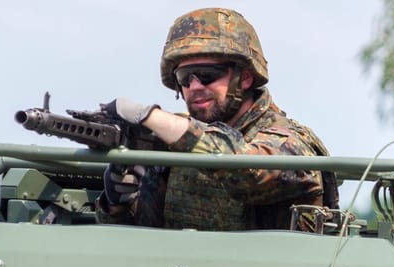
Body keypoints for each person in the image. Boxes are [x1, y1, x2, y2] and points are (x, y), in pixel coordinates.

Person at [98, 8, 332, 232]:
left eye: (208, 75)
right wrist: (120, 203)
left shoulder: (291, 141)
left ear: (245, 78)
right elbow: (147, 240)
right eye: (185, 78)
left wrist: (150, 116)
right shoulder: (172, 146)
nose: (195, 86)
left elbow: (248, 173)